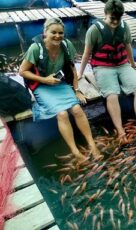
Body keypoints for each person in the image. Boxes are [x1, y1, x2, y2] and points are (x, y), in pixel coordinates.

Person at [19, 18, 100, 162]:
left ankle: (92, 144)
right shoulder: (36, 48)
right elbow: (22, 71)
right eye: (53, 32)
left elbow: (71, 68)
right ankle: (75, 151)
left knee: (77, 109)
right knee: (62, 114)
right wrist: (45, 80)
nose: (57, 36)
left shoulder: (67, 45)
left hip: (59, 84)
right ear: (45, 33)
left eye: (60, 33)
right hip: (41, 86)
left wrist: (76, 90)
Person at [78, 0, 136, 142]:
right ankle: (120, 131)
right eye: (112, 18)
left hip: (122, 64)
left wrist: (133, 63)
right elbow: (87, 53)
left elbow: (128, 46)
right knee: (112, 95)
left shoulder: (124, 27)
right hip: (102, 67)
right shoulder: (94, 30)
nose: (115, 22)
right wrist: (80, 72)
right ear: (105, 14)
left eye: (118, 19)